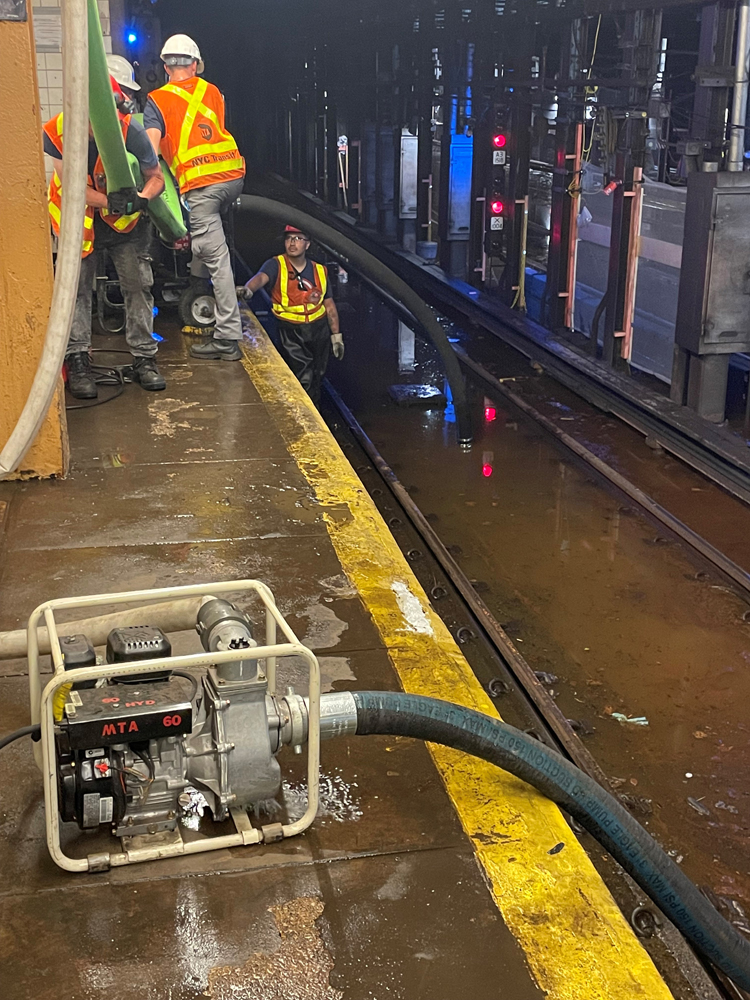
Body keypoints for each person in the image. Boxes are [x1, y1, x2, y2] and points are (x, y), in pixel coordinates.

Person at [43, 78, 167, 399]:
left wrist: (142, 197)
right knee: (77, 291)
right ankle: (78, 358)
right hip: (78, 221)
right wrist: (107, 201)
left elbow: (157, 178)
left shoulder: (130, 132)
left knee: (137, 286)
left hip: (123, 225)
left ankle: (144, 358)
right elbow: (70, 184)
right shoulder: (59, 132)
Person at [144, 34, 245, 361]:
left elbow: (149, 150)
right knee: (209, 243)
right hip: (234, 175)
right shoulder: (212, 91)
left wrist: (147, 187)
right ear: (196, 64)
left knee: (218, 262)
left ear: (165, 66)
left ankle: (228, 338)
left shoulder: (157, 100)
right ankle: (198, 275)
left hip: (202, 187)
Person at [242, 225, 344, 405]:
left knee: (318, 374)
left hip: (318, 330)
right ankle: (308, 416)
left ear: (307, 244)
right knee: (303, 376)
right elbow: (261, 278)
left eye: (298, 239)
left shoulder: (319, 270)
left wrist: (336, 336)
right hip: (290, 330)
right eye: (289, 238)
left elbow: (329, 304)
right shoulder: (276, 264)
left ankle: (315, 408)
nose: (292, 243)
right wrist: (248, 289)